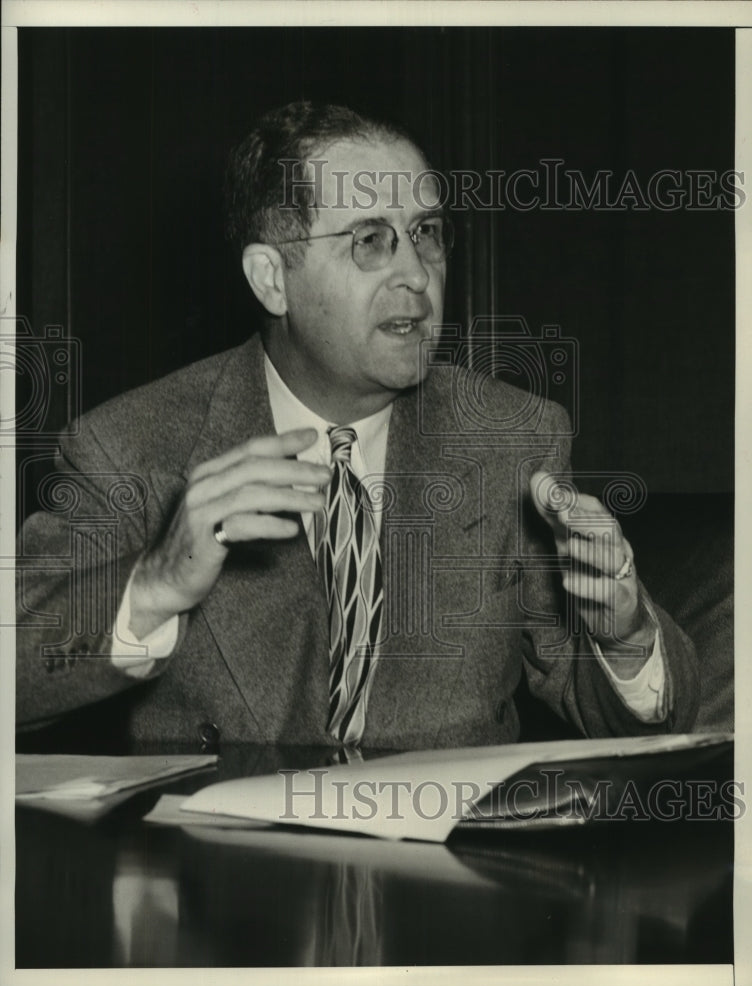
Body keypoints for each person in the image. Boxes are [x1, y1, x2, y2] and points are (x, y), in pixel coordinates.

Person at [16, 101, 699, 750]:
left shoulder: (511, 439)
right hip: (224, 836)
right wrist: (153, 586)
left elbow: (640, 727)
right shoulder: (127, 446)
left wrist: (626, 638)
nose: (416, 275)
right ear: (272, 279)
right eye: (370, 240)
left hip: (447, 836)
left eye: (426, 233)